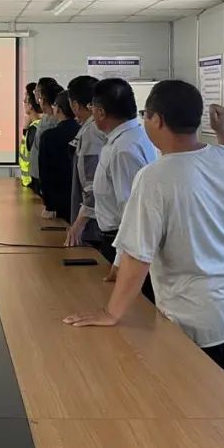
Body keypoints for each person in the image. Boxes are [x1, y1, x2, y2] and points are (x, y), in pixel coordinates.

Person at [63, 81, 224, 391]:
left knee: (192, 400)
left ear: (158, 120)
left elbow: (138, 254)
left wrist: (111, 312)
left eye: (147, 115)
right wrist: (223, 132)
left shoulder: (155, 177)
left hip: (192, 314)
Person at [86, 79, 158, 301]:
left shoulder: (124, 149)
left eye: (92, 108)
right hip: (119, 242)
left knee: (130, 311)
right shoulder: (125, 138)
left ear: (100, 112)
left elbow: (131, 210)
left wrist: (119, 262)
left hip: (123, 245)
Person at [64, 75, 106, 246]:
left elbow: (91, 185)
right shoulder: (94, 128)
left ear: (75, 105)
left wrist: (79, 224)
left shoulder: (91, 132)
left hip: (94, 226)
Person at [37, 90, 80, 221]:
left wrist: (49, 205)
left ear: (58, 109)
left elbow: (45, 172)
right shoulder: (82, 131)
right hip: (79, 198)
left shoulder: (49, 137)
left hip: (58, 199)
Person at [28, 77, 62, 196]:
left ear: (42, 95)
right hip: (37, 173)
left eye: (36, 91)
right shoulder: (45, 117)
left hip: (45, 176)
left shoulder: (54, 120)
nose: (35, 95)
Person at [19, 84, 42, 189]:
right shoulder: (32, 127)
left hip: (33, 185)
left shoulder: (35, 129)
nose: (23, 101)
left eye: (26, 99)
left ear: (31, 105)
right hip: (29, 184)